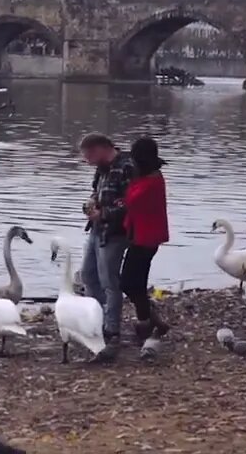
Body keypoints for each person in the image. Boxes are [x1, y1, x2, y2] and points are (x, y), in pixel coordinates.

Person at [77, 133, 134, 351]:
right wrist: (92, 203)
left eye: (88, 155)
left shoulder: (126, 167)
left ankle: (112, 329)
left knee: (109, 281)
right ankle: (95, 321)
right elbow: (97, 191)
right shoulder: (102, 168)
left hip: (115, 233)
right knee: (89, 275)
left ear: (100, 149)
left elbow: (131, 203)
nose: (87, 160)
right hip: (97, 230)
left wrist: (104, 214)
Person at [121, 136, 171, 341]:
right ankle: (151, 319)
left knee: (131, 283)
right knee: (133, 282)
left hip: (146, 238)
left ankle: (146, 322)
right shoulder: (151, 176)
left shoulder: (151, 181)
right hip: (143, 235)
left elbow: (131, 200)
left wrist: (130, 180)